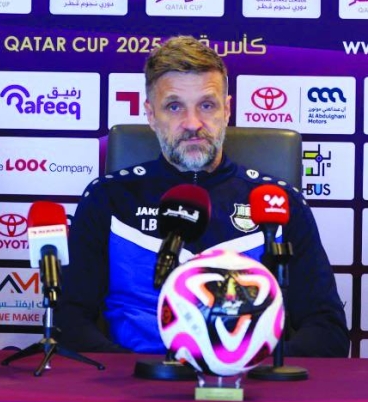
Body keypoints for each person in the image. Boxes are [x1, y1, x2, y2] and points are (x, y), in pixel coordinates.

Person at [59, 35, 349, 356]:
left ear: (226, 111)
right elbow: (69, 320)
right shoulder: (109, 198)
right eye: (174, 107)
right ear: (151, 115)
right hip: (137, 384)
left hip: (247, 389)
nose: (192, 123)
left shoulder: (277, 202)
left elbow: (327, 329)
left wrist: (254, 366)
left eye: (207, 105)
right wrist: (131, 373)